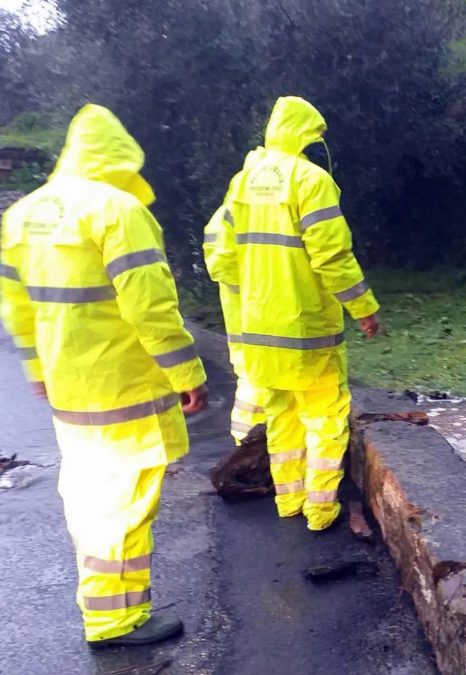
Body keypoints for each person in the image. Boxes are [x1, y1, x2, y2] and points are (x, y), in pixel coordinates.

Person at [0, 104, 209, 648]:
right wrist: (186, 371)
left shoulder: (22, 214)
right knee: (125, 504)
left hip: (71, 391)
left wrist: (36, 367)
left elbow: (17, 305)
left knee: (94, 498)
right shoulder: (117, 210)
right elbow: (152, 306)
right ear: (119, 158)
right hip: (126, 386)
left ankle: (108, 611)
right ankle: (116, 620)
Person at [211, 96, 379, 532]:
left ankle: (288, 502)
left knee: (281, 415)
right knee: (324, 418)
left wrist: (245, 304)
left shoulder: (243, 181)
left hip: (258, 330)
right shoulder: (310, 179)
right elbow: (332, 255)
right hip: (306, 329)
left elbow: (223, 257)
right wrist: (363, 308)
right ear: (307, 133)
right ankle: (320, 510)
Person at [203, 205, 267, 444]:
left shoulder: (226, 212)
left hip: (242, 330)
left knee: (251, 387)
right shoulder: (281, 208)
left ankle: (244, 454)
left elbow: (219, 265)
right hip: (282, 325)